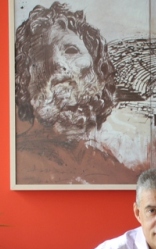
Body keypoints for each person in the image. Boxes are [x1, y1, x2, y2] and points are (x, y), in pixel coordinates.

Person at [14, 2, 139, 185]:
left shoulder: (114, 169)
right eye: (41, 55)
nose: (56, 63)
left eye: (71, 50)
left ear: (98, 71)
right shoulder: (23, 162)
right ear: (24, 78)